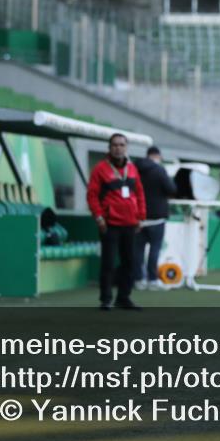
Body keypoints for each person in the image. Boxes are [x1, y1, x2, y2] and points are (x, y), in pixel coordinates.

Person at [87, 133, 145, 310]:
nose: (118, 148)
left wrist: (141, 217)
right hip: (110, 224)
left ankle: (124, 297)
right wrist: (98, 217)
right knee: (109, 263)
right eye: (114, 145)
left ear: (126, 148)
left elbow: (140, 193)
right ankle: (106, 299)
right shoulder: (100, 169)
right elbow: (92, 195)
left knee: (129, 263)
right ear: (109, 148)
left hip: (130, 224)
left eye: (121, 145)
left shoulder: (133, 169)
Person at [134, 145, 177, 290]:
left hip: (138, 217)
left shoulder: (135, 169)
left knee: (138, 250)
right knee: (154, 250)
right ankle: (152, 280)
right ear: (157, 156)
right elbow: (171, 189)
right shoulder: (159, 170)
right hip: (157, 218)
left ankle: (138, 279)